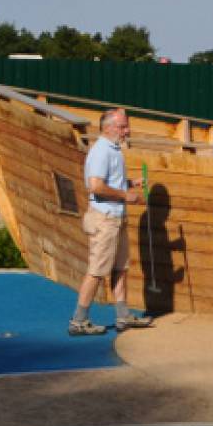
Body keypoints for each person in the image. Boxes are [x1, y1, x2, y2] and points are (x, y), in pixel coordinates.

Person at [69, 108, 155, 336]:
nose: (127, 131)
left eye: (127, 126)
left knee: (120, 268)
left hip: (116, 218)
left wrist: (129, 183)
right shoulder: (101, 151)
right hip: (104, 219)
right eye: (122, 127)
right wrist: (126, 195)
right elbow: (96, 186)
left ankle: (122, 316)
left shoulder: (113, 149)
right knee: (97, 271)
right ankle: (78, 321)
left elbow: (109, 182)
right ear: (108, 128)